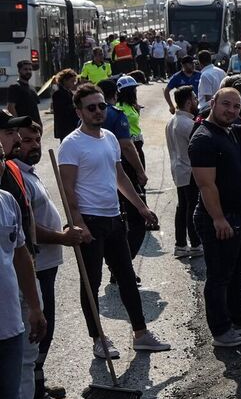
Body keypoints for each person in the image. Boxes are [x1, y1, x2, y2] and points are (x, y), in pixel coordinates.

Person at [57, 83, 169, 360]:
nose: (98, 111)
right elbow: (67, 189)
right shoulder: (71, 145)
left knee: (127, 278)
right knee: (91, 282)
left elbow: (120, 176)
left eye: (101, 106)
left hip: (114, 218)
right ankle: (98, 338)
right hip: (90, 223)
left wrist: (141, 207)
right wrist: (78, 222)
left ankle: (141, 334)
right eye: (91, 107)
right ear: (79, 112)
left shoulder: (108, 137)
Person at [7, 121, 81, 399]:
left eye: (36, 138)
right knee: (35, 334)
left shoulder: (24, 170)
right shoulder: (13, 174)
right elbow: (26, 231)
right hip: (30, 268)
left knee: (39, 336)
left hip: (43, 264)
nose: (33, 144)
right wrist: (63, 238)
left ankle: (35, 389)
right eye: (24, 139)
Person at [191, 87, 241, 349]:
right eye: (226, 105)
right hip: (218, 219)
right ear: (212, 103)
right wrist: (218, 219)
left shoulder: (231, 131)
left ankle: (240, 318)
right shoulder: (204, 138)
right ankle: (221, 330)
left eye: (236, 106)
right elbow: (206, 185)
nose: (231, 110)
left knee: (238, 274)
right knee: (219, 276)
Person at [0, 110, 46, 399]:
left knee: (10, 395)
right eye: (12, 134)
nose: (17, 142)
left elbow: (18, 249)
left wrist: (33, 305)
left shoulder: (7, 194)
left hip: (11, 313)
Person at [106, 77, 148, 264]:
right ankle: (122, 263)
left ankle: (119, 263)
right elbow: (127, 145)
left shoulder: (130, 107)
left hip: (134, 153)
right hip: (128, 159)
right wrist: (139, 171)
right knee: (137, 216)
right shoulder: (118, 111)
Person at [165, 87, 204, 258]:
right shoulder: (188, 124)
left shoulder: (172, 121)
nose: (196, 101)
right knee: (191, 208)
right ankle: (195, 244)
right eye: (194, 98)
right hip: (189, 171)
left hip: (179, 170)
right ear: (189, 101)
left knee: (183, 207)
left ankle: (181, 244)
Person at [46, 72, 76, 143]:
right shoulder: (58, 93)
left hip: (70, 125)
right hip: (65, 126)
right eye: (72, 81)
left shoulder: (69, 92)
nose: (73, 83)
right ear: (65, 80)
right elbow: (62, 110)